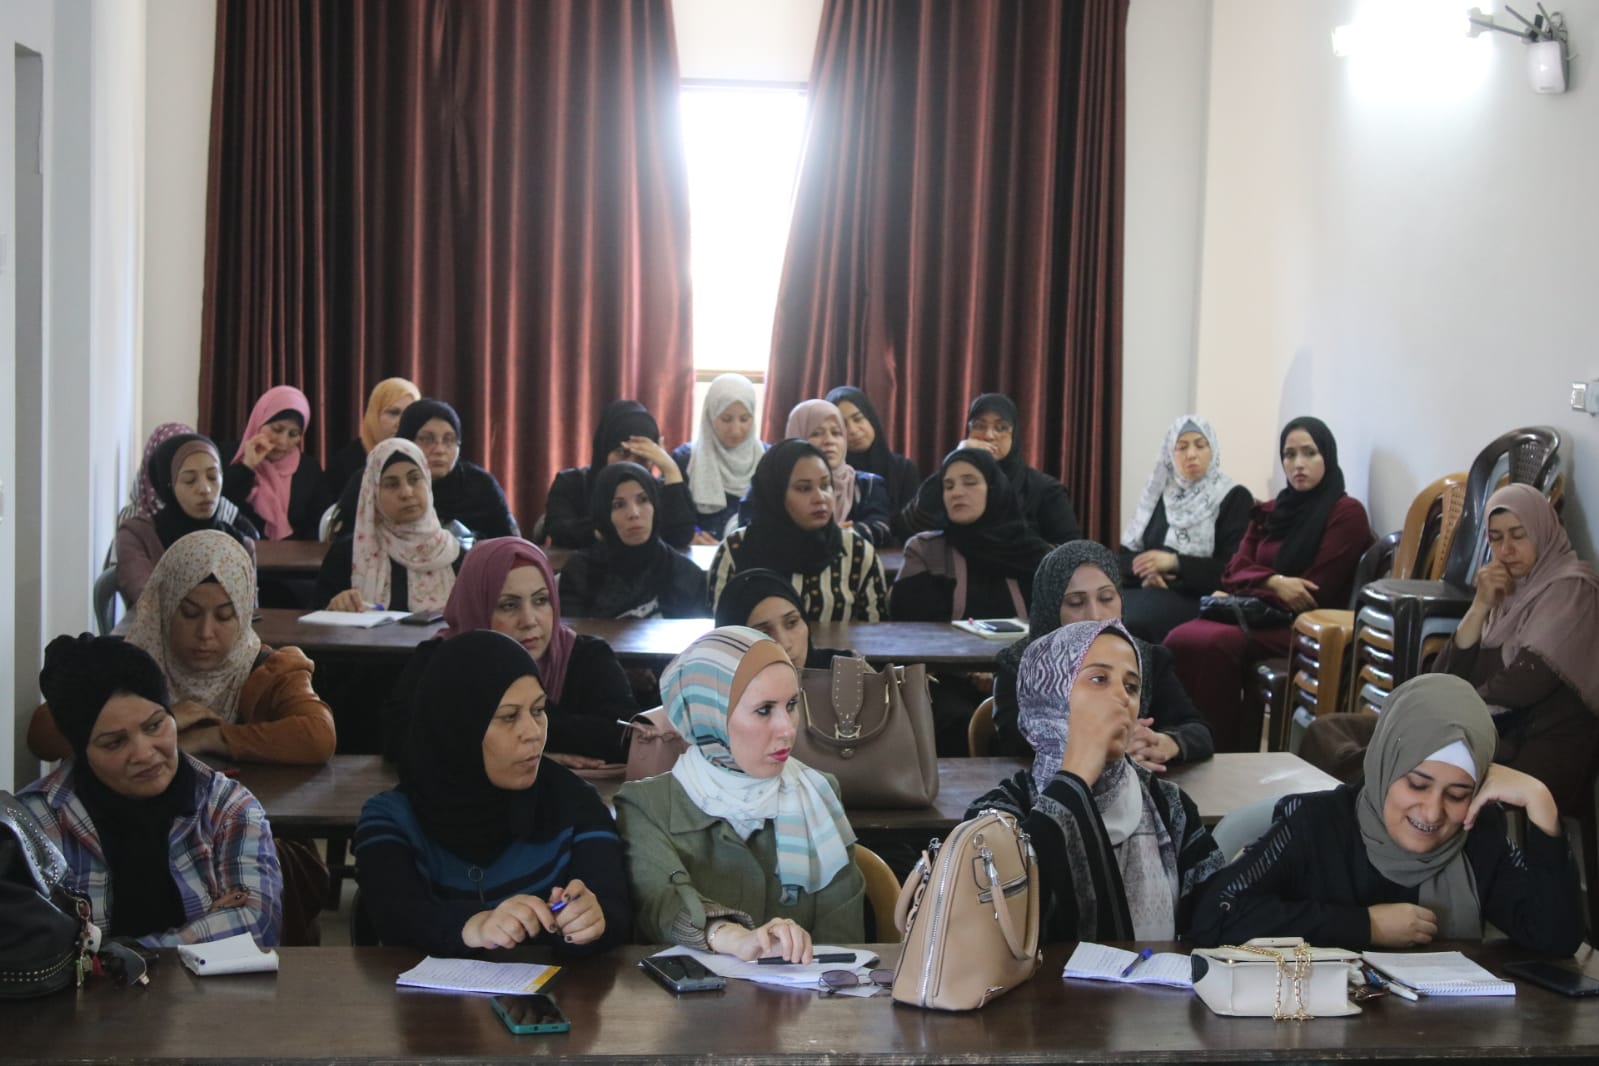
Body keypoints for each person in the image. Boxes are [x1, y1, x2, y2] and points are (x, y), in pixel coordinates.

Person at [1188, 674, 1582, 955]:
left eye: (1458, 794)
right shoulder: (1317, 825)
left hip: (1442, 1035)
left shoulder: (1475, 834)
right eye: (1417, 785)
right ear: (1384, 767)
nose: (1433, 812)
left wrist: (1541, 802)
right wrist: (1365, 926)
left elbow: (1555, 940)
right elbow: (1213, 916)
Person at [1302, 484, 1599, 814]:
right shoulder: (1507, 593)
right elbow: (1445, 674)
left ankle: (1350, 821)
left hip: (1530, 751)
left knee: (1386, 759)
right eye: (1496, 538)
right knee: (1326, 732)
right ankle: (1348, 817)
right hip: (1478, 731)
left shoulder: (1572, 589)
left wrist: (1447, 716)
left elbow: (1525, 683)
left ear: (1544, 532)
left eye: (1519, 535)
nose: (1507, 550)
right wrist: (1480, 606)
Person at [354, 630, 630, 956]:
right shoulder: (393, 818)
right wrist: (474, 926)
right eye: (509, 717)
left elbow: (615, 907)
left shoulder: (575, 803)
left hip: (555, 989)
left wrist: (591, 920)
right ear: (459, 726)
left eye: (539, 710)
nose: (533, 733)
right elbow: (396, 918)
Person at [615, 627, 865, 958]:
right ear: (711, 716)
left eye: (791, 704)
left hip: (804, 990)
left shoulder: (818, 792)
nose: (788, 728)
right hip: (690, 993)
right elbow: (662, 904)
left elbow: (843, 943)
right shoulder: (647, 806)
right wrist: (733, 937)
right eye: (764, 710)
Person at [969, 620, 1225, 941]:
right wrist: (1074, 778)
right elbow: (1007, 924)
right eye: (1099, 679)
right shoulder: (999, 814)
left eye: (1131, 686)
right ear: (1050, 694)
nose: (1122, 697)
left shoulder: (1169, 805)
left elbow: (1217, 923)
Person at [19, 634, 282, 945]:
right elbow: (29, 945)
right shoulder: (33, 823)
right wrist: (204, 931)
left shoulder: (227, 808)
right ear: (81, 750)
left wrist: (113, 956)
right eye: (115, 742)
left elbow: (255, 926)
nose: (144, 753)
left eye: (154, 725)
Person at [32, 530, 336, 766]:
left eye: (224, 616)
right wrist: (161, 724)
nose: (205, 633)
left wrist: (210, 738)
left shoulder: (269, 670)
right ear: (165, 609)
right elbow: (42, 737)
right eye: (189, 614)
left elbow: (319, 736)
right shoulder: (125, 666)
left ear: (244, 616)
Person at [1163, 416, 1372, 752]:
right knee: (1180, 637)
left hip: (1300, 626)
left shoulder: (1346, 513)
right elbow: (1232, 569)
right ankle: (1180, 744)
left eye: (1310, 453)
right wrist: (1274, 582)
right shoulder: (1271, 511)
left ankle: (1217, 750)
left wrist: (1249, 585)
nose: (1298, 463)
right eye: (1289, 454)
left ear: (1328, 456)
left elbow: (1312, 592)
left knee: (1211, 643)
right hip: (1256, 615)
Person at [381, 537, 637, 766]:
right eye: (508, 605)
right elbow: (397, 739)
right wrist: (518, 755)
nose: (529, 620)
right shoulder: (439, 659)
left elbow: (627, 736)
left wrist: (498, 729)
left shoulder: (586, 656)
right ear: (476, 606)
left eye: (541, 600)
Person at [993, 542, 1215, 766]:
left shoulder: (1147, 658)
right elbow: (1015, 741)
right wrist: (1108, 744)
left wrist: (1164, 743)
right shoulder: (1018, 664)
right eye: (1076, 603)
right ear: (1050, 609)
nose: (1096, 615)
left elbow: (1197, 729)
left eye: (1107, 598)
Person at [709, 440, 888, 623]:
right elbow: (724, 631)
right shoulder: (736, 550)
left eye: (825, 485)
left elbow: (876, 632)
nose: (820, 498)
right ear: (774, 494)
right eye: (804, 488)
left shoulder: (857, 552)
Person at [1117, 415, 1255, 642]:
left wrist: (1175, 563)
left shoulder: (1234, 497)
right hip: (1146, 588)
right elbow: (1123, 557)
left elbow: (1232, 571)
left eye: (1200, 445)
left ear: (1212, 449)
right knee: (1101, 613)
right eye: (1181, 447)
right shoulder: (1157, 495)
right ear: (1169, 454)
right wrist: (1147, 574)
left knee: (1134, 621)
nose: (1191, 454)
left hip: (1198, 595)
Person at [891, 447, 1054, 621]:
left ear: (994, 489)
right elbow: (912, 621)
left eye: (970, 483)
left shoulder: (1033, 553)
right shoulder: (926, 550)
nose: (956, 493)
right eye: (948, 486)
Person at [897, 392, 1081, 545]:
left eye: (1001, 427)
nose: (988, 436)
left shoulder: (1045, 490)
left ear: (1014, 435)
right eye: (979, 426)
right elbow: (908, 529)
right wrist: (956, 458)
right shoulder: (954, 487)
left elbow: (1070, 553)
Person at [332, 398, 519, 541]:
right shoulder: (373, 479)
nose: (440, 450)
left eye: (449, 440)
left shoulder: (480, 485)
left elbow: (510, 543)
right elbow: (344, 541)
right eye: (427, 439)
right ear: (405, 441)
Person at [317, 439, 464, 613]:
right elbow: (315, 618)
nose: (407, 492)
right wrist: (336, 606)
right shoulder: (349, 553)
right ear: (373, 495)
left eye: (414, 479)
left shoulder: (453, 554)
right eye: (392, 484)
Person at [115, 432, 258, 608]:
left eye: (213, 477)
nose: (205, 489)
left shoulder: (240, 545)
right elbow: (149, 601)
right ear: (168, 486)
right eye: (190, 480)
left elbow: (248, 613)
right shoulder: (137, 536)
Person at [557, 462, 708, 619]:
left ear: (656, 505)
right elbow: (570, 632)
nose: (634, 513)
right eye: (618, 505)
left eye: (643, 500)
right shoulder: (580, 573)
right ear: (604, 514)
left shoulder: (687, 575)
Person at [544, 400, 695, 549]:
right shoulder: (571, 483)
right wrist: (615, 527)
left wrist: (670, 469)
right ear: (604, 450)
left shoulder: (658, 489)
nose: (631, 465)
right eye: (623, 453)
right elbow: (559, 531)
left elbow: (680, 537)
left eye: (642, 456)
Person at [772, 399, 893, 546]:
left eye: (836, 433)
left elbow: (881, 528)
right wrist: (828, 535)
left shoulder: (867, 484)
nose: (829, 441)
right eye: (816, 434)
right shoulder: (774, 484)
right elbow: (756, 527)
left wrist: (841, 535)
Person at [221, 385, 333, 541]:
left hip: (293, 555)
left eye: (293, 434)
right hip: (236, 551)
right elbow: (218, 509)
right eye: (276, 429)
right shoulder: (228, 457)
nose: (282, 441)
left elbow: (321, 526)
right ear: (260, 421)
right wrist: (247, 466)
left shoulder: (308, 470)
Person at [672, 373, 766, 543]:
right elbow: (670, 515)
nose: (736, 430)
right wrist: (690, 536)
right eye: (726, 419)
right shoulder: (685, 459)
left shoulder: (768, 459)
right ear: (710, 416)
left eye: (744, 419)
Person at [714, 569, 854, 670]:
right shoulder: (713, 696)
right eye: (763, 633)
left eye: (792, 623)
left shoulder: (846, 674)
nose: (785, 644)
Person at [825, 385, 920, 512]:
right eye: (842, 425)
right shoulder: (828, 475)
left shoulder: (903, 470)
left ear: (870, 417)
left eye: (858, 419)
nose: (853, 430)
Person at [325, 376, 421, 498]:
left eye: (409, 414)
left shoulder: (426, 456)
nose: (401, 422)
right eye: (393, 413)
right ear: (374, 415)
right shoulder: (345, 464)